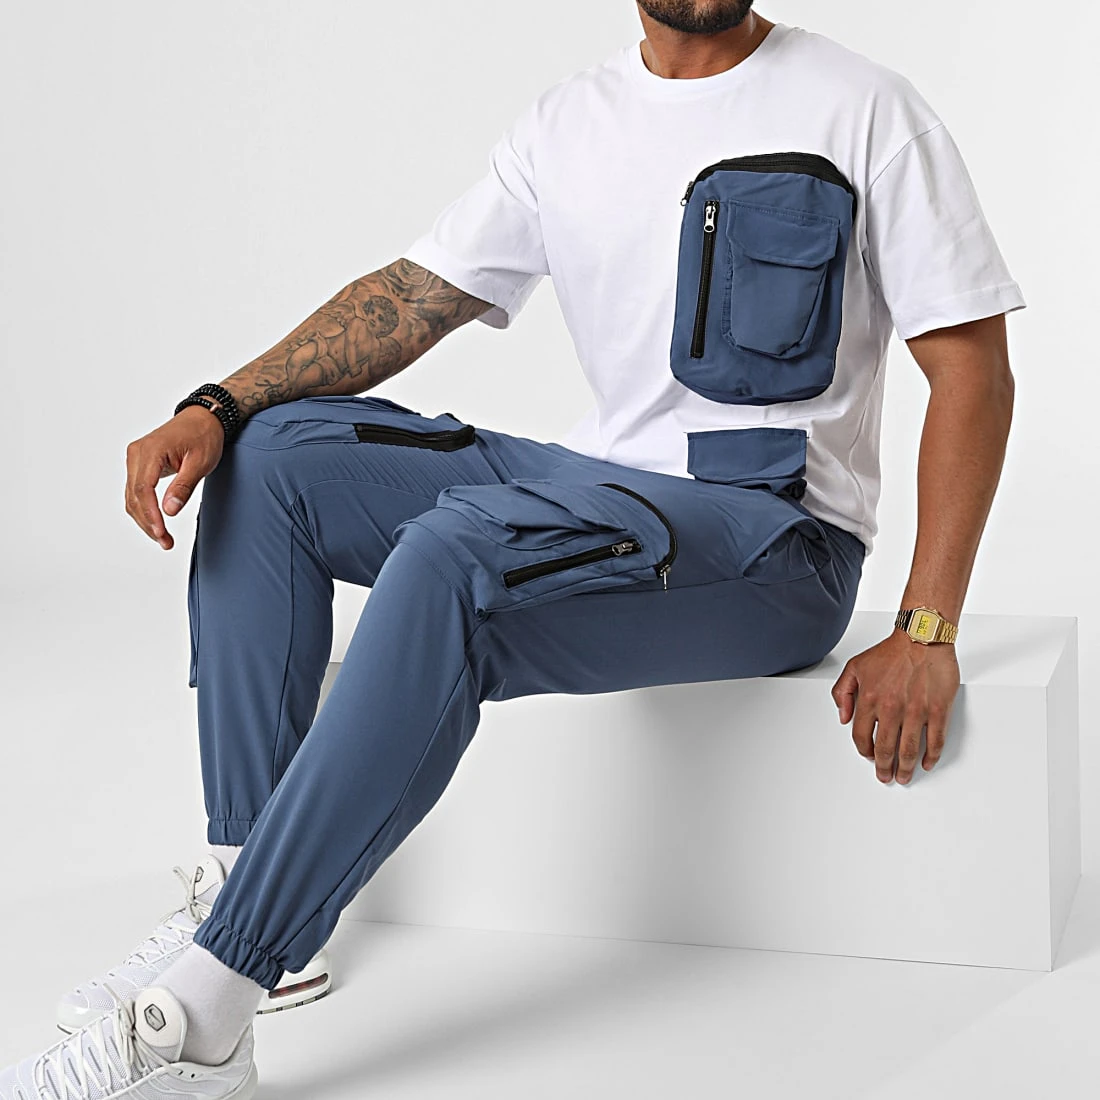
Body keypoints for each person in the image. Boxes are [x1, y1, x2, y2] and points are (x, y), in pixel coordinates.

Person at [0, 3, 1023, 1096]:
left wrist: (926, 626)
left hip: (771, 536)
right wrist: (216, 403)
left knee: (452, 556)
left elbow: (972, 370)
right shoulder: (570, 121)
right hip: (598, 487)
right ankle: (249, 886)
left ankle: (207, 1014)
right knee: (269, 456)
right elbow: (411, 298)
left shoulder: (864, 109)